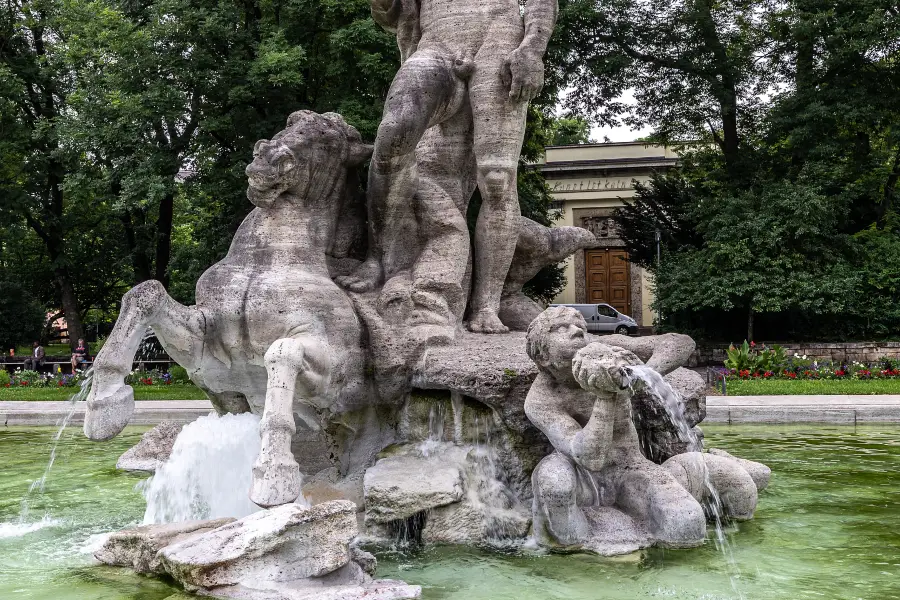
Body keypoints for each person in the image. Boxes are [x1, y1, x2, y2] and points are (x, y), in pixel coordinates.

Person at [337, 0, 558, 333]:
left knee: (496, 178)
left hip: (499, 40)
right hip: (436, 40)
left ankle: (487, 304)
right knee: (393, 136)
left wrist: (532, 48)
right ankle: (379, 260)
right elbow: (388, 15)